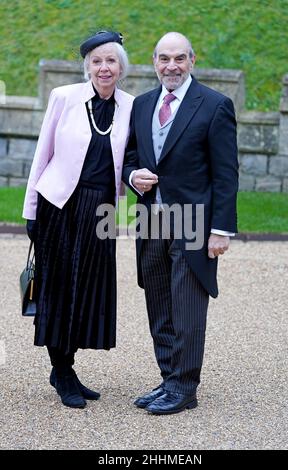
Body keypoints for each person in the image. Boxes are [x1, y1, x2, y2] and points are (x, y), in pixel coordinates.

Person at [122, 32, 239, 415]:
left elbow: (226, 174)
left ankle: (185, 388)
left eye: (179, 58)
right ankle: (169, 378)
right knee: (158, 302)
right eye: (164, 59)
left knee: (187, 307)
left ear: (192, 60)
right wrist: (132, 176)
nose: (171, 66)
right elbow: (130, 157)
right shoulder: (141, 105)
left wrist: (221, 229)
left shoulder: (215, 105)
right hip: (151, 221)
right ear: (154, 61)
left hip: (194, 223)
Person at [22, 31, 134, 409]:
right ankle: (62, 372)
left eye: (111, 61)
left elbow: (131, 158)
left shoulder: (131, 106)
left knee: (86, 291)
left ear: (122, 67)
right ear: (87, 66)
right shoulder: (65, 97)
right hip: (59, 206)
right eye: (97, 61)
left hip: (100, 211)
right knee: (58, 290)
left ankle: (65, 367)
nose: (104, 68)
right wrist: (31, 211)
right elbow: (43, 154)